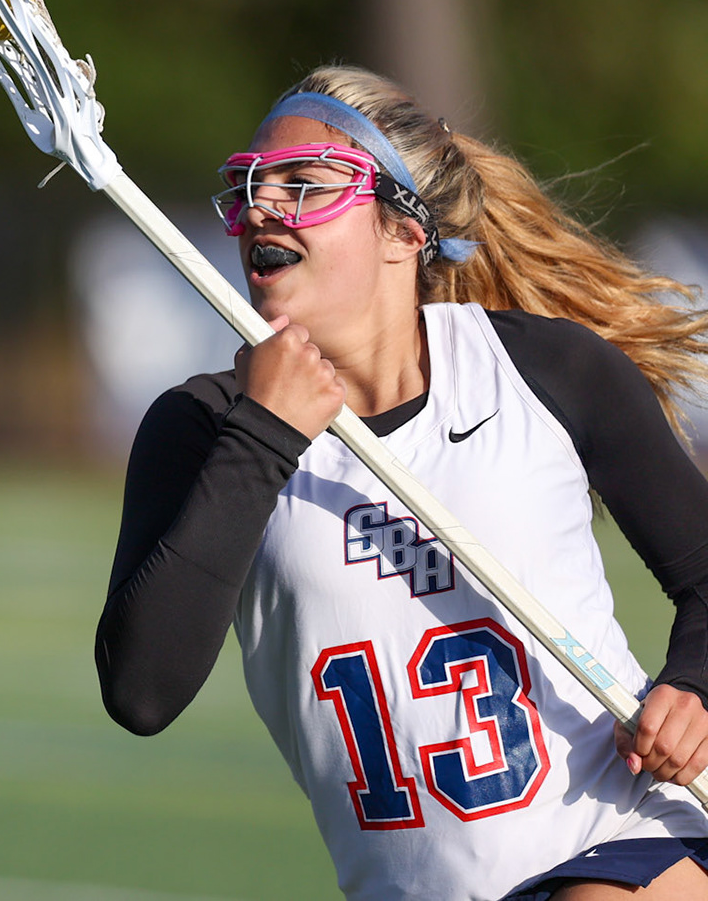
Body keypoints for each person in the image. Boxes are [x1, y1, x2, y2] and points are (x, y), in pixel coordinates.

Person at [96, 64, 708, 901]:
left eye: (305, 184)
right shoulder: (204, 428)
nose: (263, 207)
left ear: (402, 230)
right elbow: (142, 690)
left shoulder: (546, 370)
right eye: (250, 185)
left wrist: (695, 688)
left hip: (615, 836)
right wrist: (266, 435)